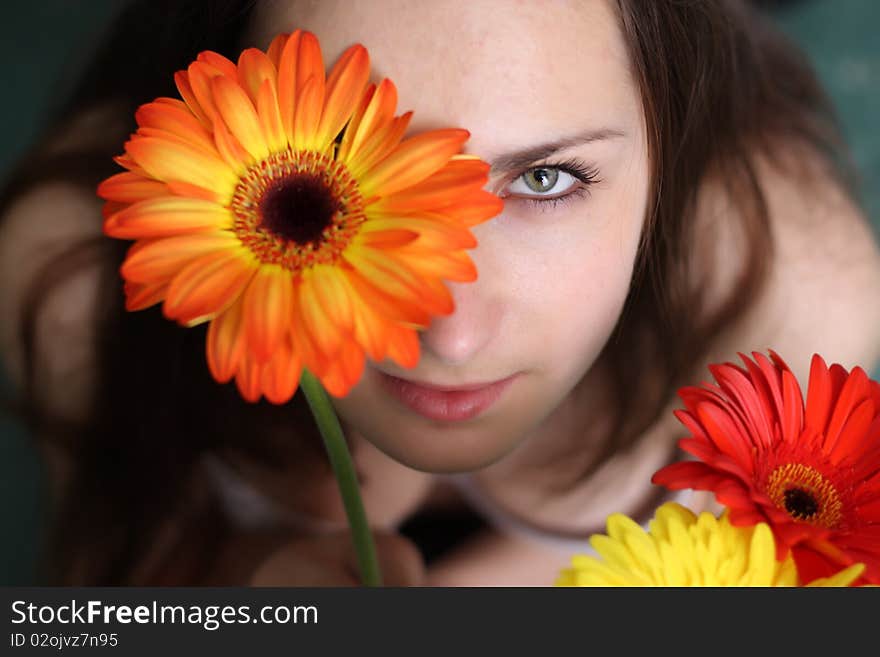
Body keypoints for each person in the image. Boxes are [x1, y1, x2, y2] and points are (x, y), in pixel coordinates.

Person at [1, 0, 879, 587]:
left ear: (668, 143)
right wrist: (251, 580)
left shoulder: (791, 295)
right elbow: (99, 588)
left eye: (543, 178)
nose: (448, 335)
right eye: (349, 176)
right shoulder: (75, 276)